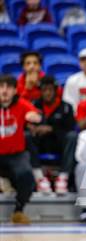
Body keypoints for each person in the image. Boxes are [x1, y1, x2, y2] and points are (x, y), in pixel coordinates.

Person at [0, 75, 41, 224]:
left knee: (27, 176)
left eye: (8, 87)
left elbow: (36, 114)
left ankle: (18, 210)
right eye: (1, 87)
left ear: (15, 90)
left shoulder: (22, 104)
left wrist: (35, 117)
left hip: (16, 154)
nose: (4, 91)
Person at [29, 76, 77, 194]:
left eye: (50, 90)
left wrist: (51, 129)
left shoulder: (66, 107)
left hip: (59, 143)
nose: (48, 93)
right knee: (26, 136)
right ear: (40, 91)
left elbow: (70, 127)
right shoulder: (33, 105)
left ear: (56, 90)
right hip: (40, 143)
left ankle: (63, 177)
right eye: (44, 90)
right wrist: (32, 127)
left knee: (72, 136)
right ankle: (39, 177)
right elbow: (26, 123)